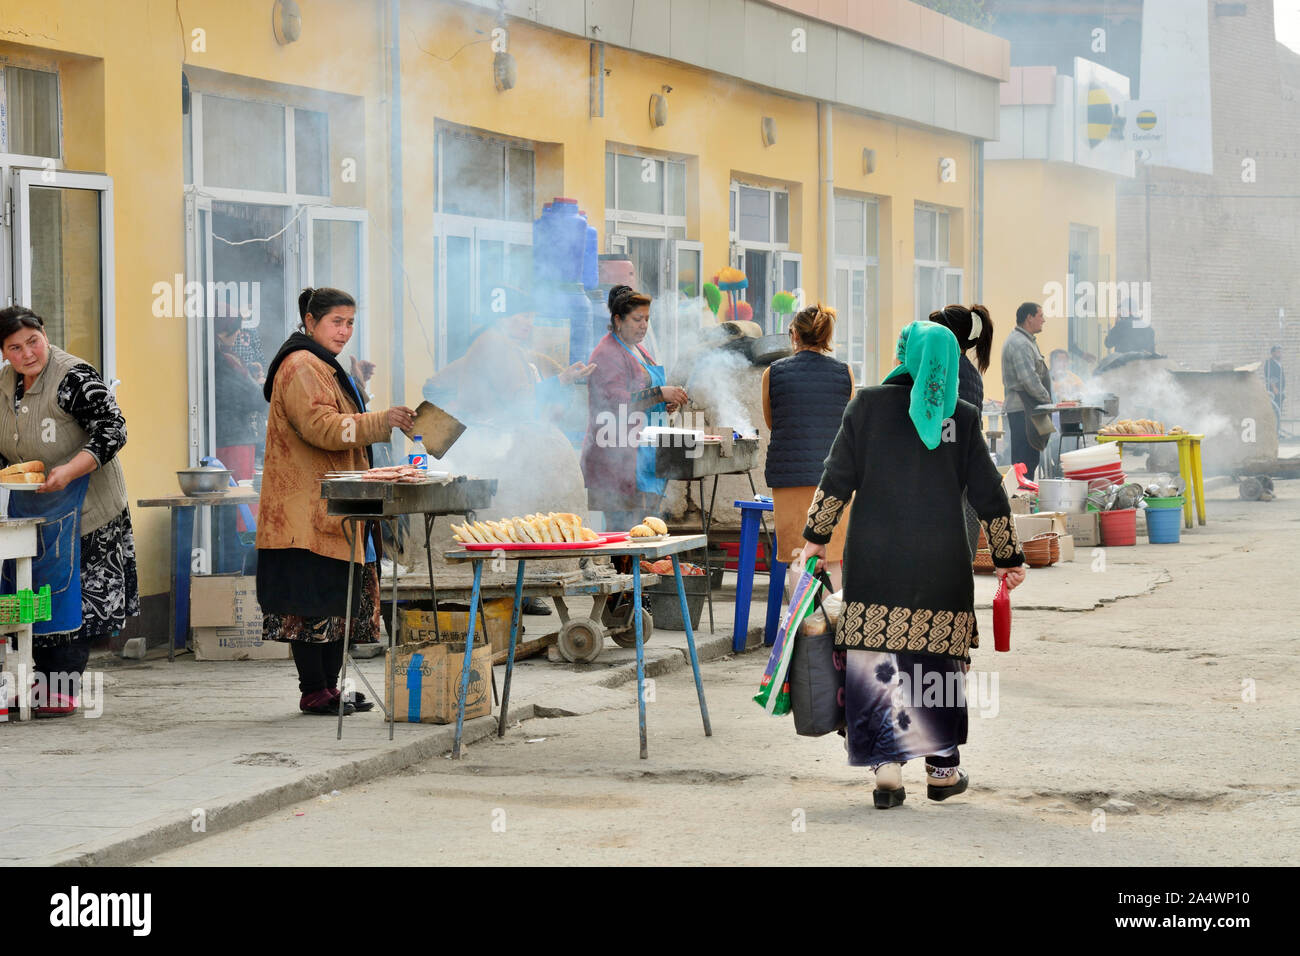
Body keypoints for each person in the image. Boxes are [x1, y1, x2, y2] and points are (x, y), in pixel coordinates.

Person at [799, 320, 1026, 808]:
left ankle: (886, 773)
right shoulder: (962, 418)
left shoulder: (869, 407)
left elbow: (835, 479)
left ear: (905, 353)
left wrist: (815, 539)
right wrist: (1008, 557)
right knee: (936, 666)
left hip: (876, 564)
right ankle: (942, 770)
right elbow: (990, 493)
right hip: (941, 566)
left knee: (878, 660)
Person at [256, 287, 415, 716]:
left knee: (336, 605)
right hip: (303, 514)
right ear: (309, 321)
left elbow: (338, 416)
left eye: (350, 323)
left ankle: (330, 688)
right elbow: (321, 427)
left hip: (332, 510)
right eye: (335, 322)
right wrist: (382, 420)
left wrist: (359, 388)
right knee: (313, 606)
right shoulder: (301, 364)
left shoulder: (323, 365)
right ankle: (315, 692)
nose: (344, 332)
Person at [0, 305, 138, 717]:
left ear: (45, 333)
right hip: (33, 508)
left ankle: (62, 687)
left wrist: (70, 469)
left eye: (33, 341)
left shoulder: (73, 376)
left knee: (70, 597)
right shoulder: (5, 386)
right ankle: (30, 681)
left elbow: (114, 428)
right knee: (30, 596)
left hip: (87, 508)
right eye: (14, 348)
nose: (28, 353)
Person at [424, 288, 595, 614]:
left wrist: (561, 378)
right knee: (497, 518)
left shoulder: (508, 347)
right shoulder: (493, 344)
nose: (527, 322)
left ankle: (517, 588)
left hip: (494, 444)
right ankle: (508, 590)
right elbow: (519, 401)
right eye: (520, 315)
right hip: (486, 445)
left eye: (530, 316)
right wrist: (559, 380)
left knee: (509, 515)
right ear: (499, 317)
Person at [580, 285, 688, 531]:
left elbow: (643, 397)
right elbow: (616, 403)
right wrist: (659, 393)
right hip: (616, 461)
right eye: (637, 319)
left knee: (645, 531)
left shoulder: (639, 350)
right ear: (618, 320)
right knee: (625, 535)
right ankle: (627, 571)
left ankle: (638, 570)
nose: (644, 326)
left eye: (647, 319)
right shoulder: (607, 353)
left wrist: (664, 403)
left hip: (643, 457)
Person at [761, 303, 853, 589]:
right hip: (835, 481)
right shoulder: (844, 372)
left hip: (790, 480)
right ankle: (833, 630)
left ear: (793, 335)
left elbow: (771, 421)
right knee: (835, 558)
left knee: (799, 557)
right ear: (826, 337)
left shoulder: (773, 373)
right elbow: (849, 425)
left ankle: (803, 628)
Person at [929, 304, 995, 558]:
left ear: (948, 335)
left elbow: (950, 428)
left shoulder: (950, 369)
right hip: (959, 470)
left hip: (952, 471)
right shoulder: (960, 368)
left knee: (950, 551)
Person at [1001, 301, 1054, 481]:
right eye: (1040, 316)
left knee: (1031, 459)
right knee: (1023, 462)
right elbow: (1028, 379)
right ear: (1029, 318)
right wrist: (1048, 400)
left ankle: (1026, 498)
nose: (1043, 320)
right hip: (1022, 410)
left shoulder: (1027, 341)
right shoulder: (1019, 343)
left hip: (1030, 409)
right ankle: (1022, 500)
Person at [1265, 345, 1286, 436]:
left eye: (1280, 352)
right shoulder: (1269, 363)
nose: (1280, 354)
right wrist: (1274, 388)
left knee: (1279, 411)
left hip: (1279, 391)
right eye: (1278, 352)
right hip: (1274, 392)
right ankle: (1274, 431)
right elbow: (1270, 376)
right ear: (1272, 353)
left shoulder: (1278, 363)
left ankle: (1278, 430)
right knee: (1275, 412)